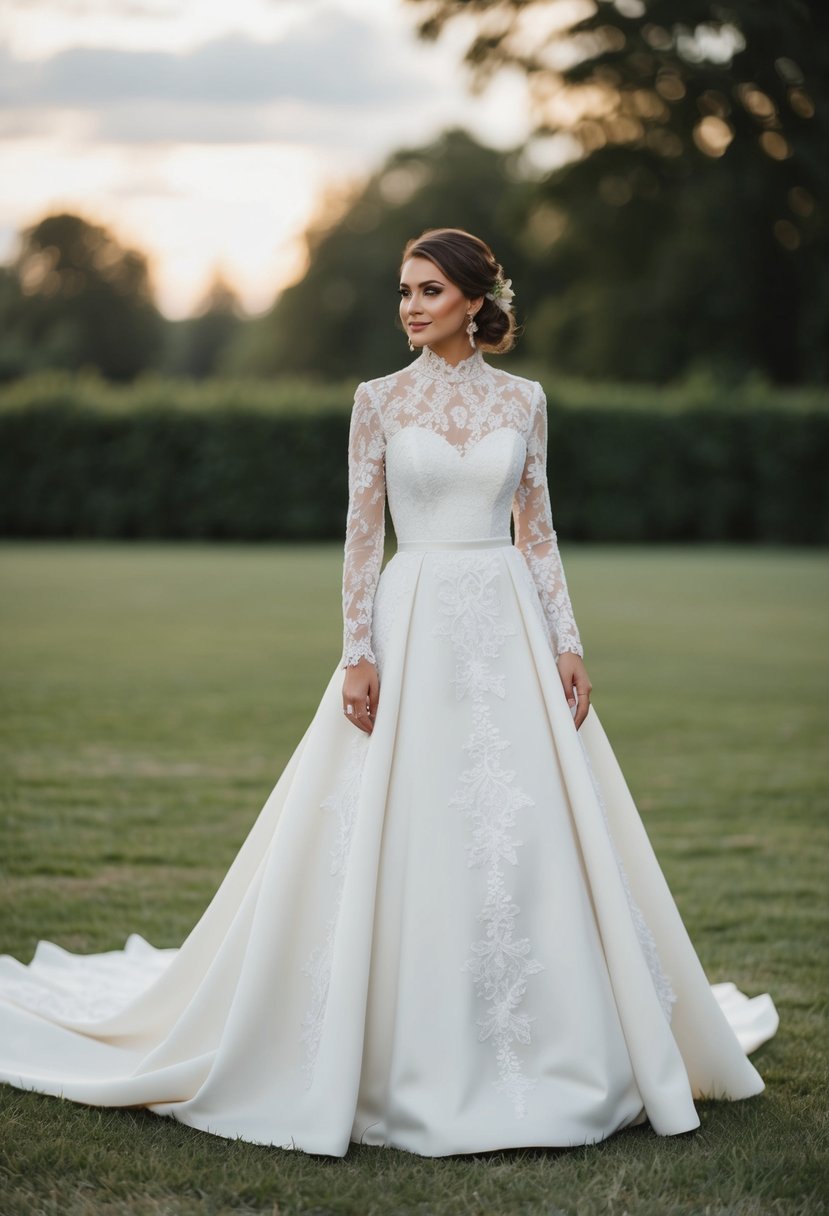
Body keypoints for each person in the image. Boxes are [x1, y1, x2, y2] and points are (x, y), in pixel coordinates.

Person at [0, 227, 778, 1159]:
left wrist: (567, 646)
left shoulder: (525, 402)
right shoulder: (377, 401)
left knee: (525, 823)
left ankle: (553, 1036)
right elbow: (361, 539)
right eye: (403, 291)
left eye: (428, 291)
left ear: (474, 302)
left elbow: (539, 537)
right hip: (413, 625)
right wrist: (356, 653)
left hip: (507, 626)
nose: (410, 306)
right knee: (402, 821)